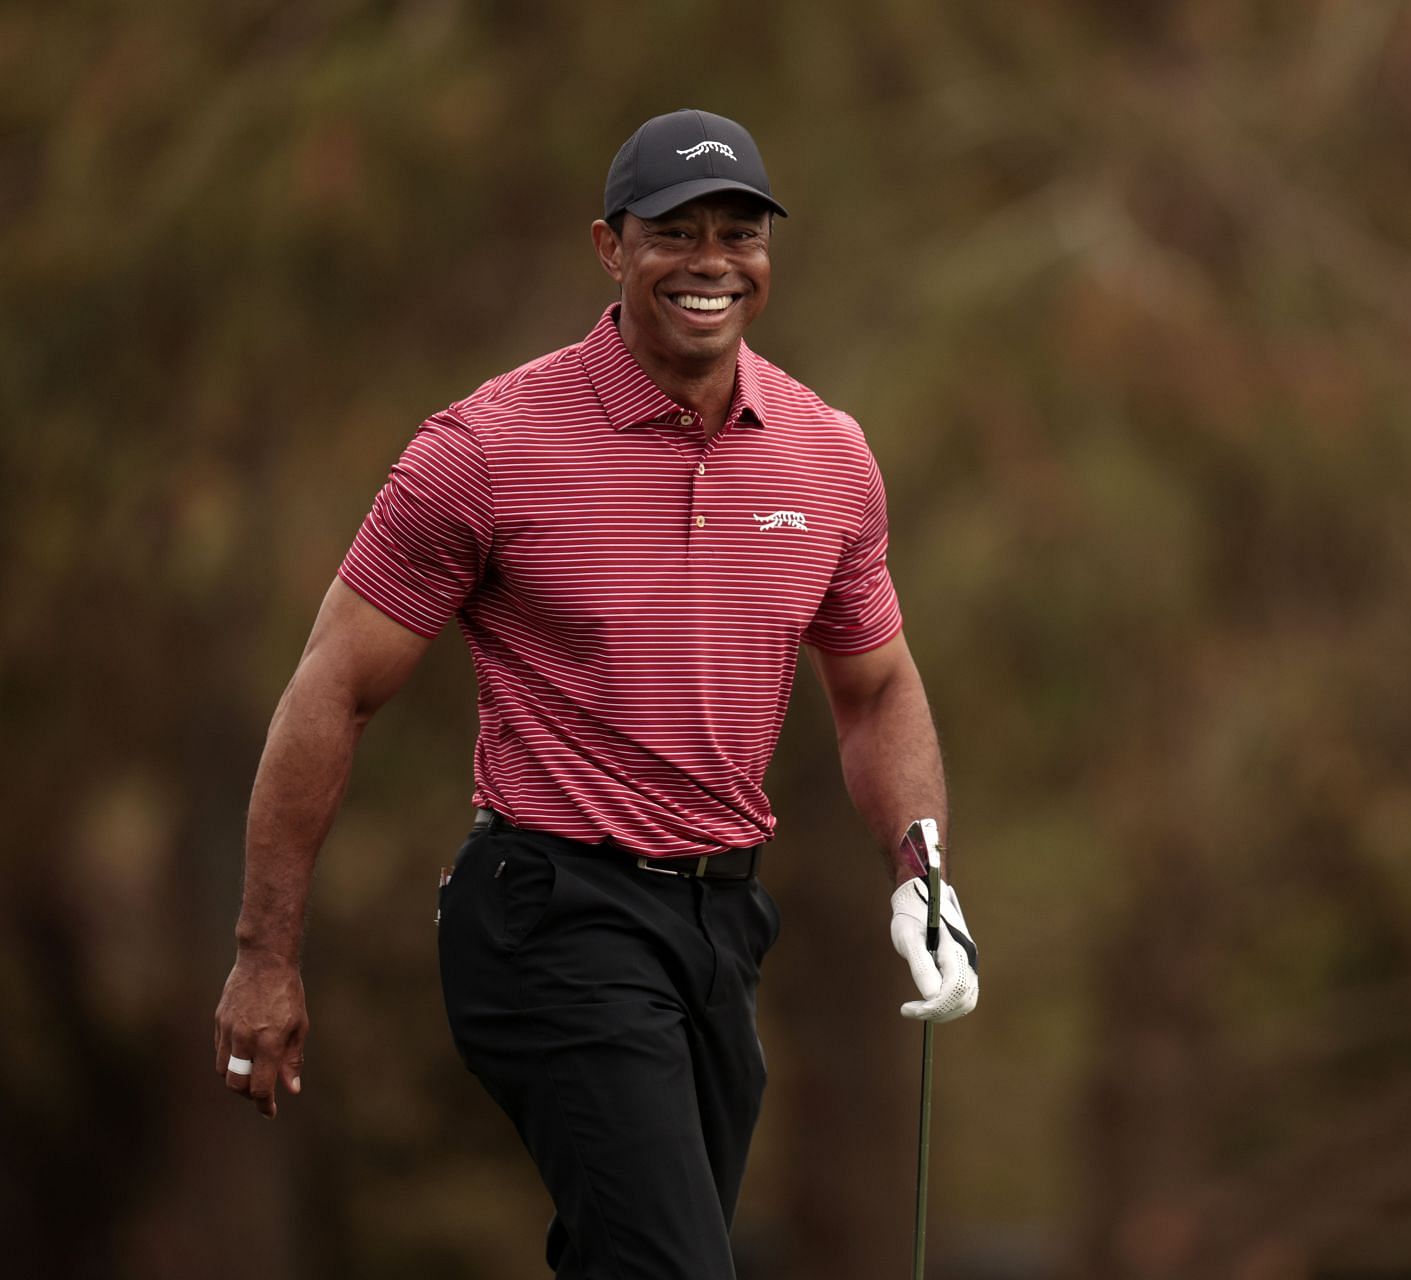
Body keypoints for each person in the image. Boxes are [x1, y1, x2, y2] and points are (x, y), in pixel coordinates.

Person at [212, 107, 981, 1279]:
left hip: (724, 923)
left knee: (631, 1258)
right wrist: (266, 950)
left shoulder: (828, 455)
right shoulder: (486, 448)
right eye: (675, 231)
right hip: (549, 911)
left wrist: (923, 875)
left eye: (740, 233)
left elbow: (875, 690)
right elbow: (333, 693)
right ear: (609, 247)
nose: (711, 260)